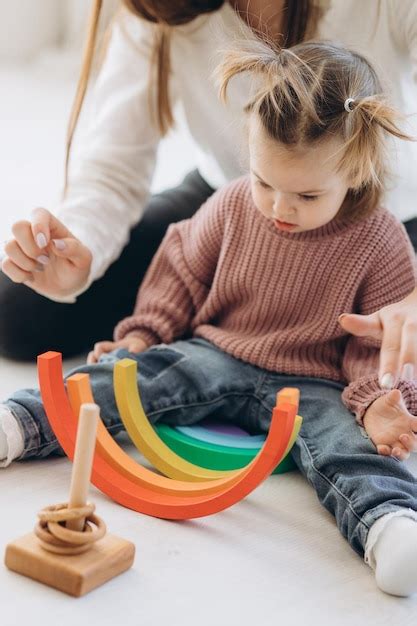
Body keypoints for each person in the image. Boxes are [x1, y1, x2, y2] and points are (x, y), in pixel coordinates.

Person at [1, 37, 417, 596]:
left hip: (316, 383)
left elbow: (380, 340)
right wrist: (145, 333)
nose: (278, 207)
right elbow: (182, 269)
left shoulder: (382, 240)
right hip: (216, 352)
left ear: (358, 170)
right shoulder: (232, 202)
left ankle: (389, 525)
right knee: (129, 377)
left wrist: (377, 402)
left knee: (349, 446)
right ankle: (18, 425)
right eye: (265, 182)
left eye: (306, 195)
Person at [0, 0, 417, 389]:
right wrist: (79, 245)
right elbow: (112, 167)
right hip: (231, 207)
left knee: (394, 374)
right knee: (16, 313)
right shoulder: (165, 10)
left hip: (384, 223)